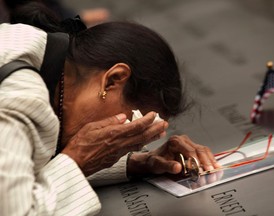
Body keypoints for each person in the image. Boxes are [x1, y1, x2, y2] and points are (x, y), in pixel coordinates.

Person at [0, 2, 220, 216]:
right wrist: (78, 161)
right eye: (130, 122)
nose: (123, 136)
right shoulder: (23, 97)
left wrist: (139, 163)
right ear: (113, 80)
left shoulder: (31, 54)